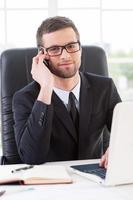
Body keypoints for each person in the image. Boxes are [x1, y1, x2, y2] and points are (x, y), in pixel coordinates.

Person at [12, 16, 121, 167]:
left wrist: (117, 149)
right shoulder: (25, 98)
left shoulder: (104, 88)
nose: (65, 55)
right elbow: (31, 157)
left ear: (80, 48)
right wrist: (46, 88)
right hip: (50, 183)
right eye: (55, 49)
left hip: (95, 178)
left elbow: (126, 132)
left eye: (71, 46)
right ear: (43, 55)